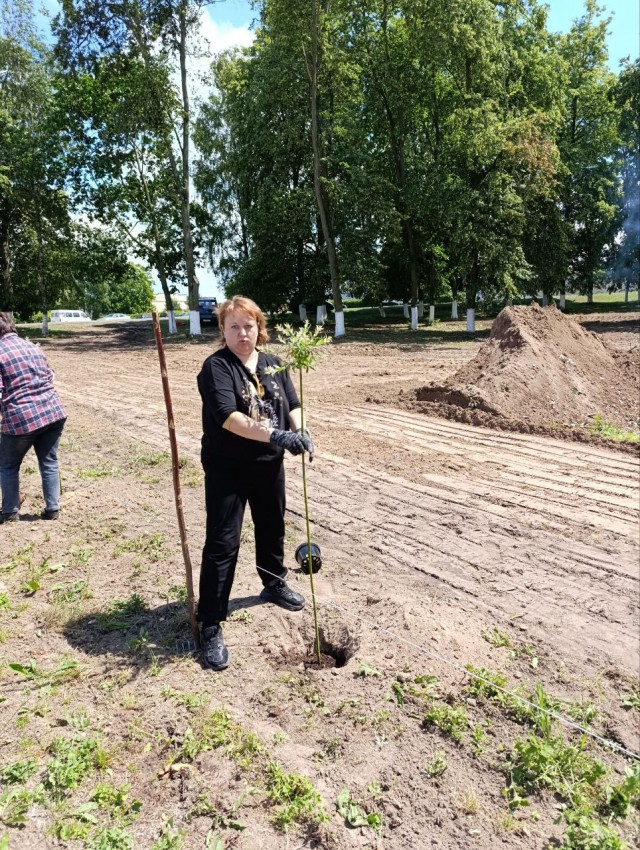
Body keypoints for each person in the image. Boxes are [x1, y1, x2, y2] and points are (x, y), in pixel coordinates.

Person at [197, 296, 314, 670]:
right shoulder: (216, 368)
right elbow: (228, 417)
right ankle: (211, 621)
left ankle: (273, 581)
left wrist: (302, 430)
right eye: (234, 327)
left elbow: (292, 403)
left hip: (267, 466)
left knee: (272, 526)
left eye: (248, 326)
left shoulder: (273, 363)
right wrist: (278, 437)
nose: (242, 333)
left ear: (258, 327)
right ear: (223, 331)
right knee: (223, 542)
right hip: (227, 469)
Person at [0, 312, 67, 523]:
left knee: (8, 464)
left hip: (21, 418)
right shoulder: (33, 346)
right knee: (49, 461)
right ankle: (52, 509)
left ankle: (10, 512)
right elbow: (50, 375)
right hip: (52, 412)